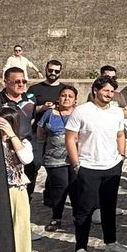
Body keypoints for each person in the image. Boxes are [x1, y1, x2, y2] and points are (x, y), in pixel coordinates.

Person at [64, 76, 127, 252]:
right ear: (95, 90)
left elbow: (120, 134)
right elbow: (70, 138)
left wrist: (121, 156)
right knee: (84, 209)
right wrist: (76, 164)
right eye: (106, 90)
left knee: (109, 206)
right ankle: (81, 248)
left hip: (112, 166)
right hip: (88, 167)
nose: (109, 95)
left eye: (112, 91)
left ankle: (111, 242)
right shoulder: (81, 111)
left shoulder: (117, 112)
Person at [0, 107, 33, 252]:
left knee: (19, 235)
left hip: (16, 191)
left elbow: (26, 159)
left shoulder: (22, 143)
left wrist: (11, 135)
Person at [36, 84, 78, 232]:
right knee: (60, 188)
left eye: (70, 96)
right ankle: (56, 218)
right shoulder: (49, 113)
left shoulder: (79, 114)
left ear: (75, 100)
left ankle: (78, 216)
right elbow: (40, 133)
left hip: (75, 158)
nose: (66, 98)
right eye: (63, 95)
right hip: (54, 159)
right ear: (58, 98)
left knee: (75, 187)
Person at [0, 65, 40, 194]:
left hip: (26, 142)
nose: (21, 84)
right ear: (6, 82)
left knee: (31, 172)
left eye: (24, 81)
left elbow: (32, 119)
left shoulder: (31, 98)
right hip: (6, 145)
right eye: (17, 81)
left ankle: (27, 198)